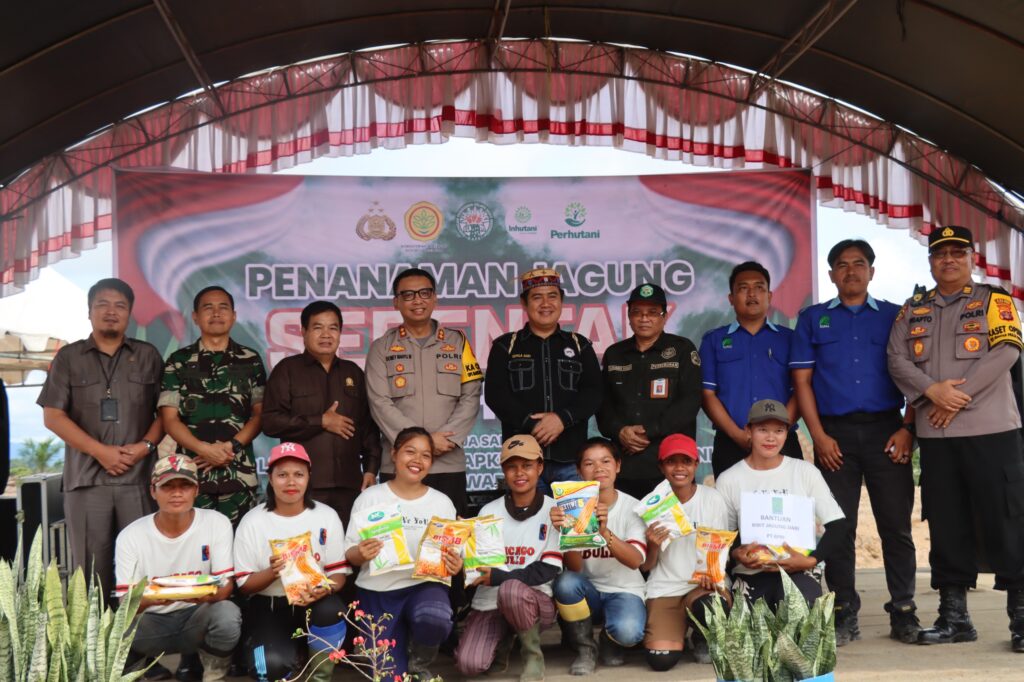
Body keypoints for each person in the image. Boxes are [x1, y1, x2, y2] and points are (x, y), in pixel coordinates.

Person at [887, 225, 1024, 651]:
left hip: (992, 430)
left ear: (971, 258)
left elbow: (1007, 351)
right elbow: (896, 358)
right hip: (937, 435)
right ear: (930, 261)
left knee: (1007, 521)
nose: (948, 259)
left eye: (957, 252)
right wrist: (933, 391)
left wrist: (955, 397)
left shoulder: (994, 300)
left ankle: (1021, 618)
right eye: (940, 253)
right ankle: (954, 618)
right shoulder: (913, 309)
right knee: (947, 522)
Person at [790, 239, 920, 646]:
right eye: (842, 265)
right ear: (831, 274)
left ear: (871, 271)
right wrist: (818, 436)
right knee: (838, 527)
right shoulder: (813, 319)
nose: (851, 271)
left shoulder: (895, 316)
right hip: (835, 436)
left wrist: (908, 428)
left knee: (895, 526)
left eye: (859, 264)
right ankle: (844, 610)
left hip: (888, 431)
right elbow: (802, 382)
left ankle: (904, 610)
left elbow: (915, 374)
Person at [37, 277, 164, 597]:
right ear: (89, 311)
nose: (111, 311)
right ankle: (96, 633)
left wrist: (145, 446)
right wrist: (100, 451)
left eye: (120, 306)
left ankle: (141, 633)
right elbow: (53, 416)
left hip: (138, 479)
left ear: (129, 313)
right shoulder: (69, 357)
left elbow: (166, 413)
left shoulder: (148, 356)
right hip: (86, 481)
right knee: (91, 576)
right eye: (102, 305)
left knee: (141, 573)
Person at [344, 426, 461, 679]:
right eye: (410, 451)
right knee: (388, 677)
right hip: (378, 594)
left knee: (435, 617)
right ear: (394, 454)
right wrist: (361, 553)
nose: (417, 460)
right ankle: (398, 649)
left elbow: (454, 556)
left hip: (424, 587)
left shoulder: (441, 503)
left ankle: (419, 663)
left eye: (426, 455)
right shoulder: (370, 499)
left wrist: (455, 564)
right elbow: (350, 554)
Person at [366, 267, 482, 516]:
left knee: (449, 534)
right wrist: (423, 444)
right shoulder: (381, 348)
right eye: (408, 295)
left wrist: (447, 440)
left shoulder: (458, 342)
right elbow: (379, 403)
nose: (417, 300)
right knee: (396, 536)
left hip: (448, 464)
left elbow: (471, 396)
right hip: (398, 466)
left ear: (435, 298)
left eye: (424, 293)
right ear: (396, 302)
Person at [115, 455, 240, 682]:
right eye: (167, 486)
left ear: (196, 490)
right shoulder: (130, 536)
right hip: (151, 623)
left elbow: (226, 587)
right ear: (153, 491)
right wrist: (155, 598)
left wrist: (200, 595)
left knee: (227, 614)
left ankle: (214, 675)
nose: (177, 493)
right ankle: (135, 671)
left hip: (196, 618)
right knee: (113, 629)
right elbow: (126, 602)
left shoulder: (216, 522)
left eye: (185, 485)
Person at [234, 442, 349, 682]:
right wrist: (273, 572)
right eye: (282, 475)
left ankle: (319, 675)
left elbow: (338, 574)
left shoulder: (326, 516)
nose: (291, 482)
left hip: (315, 602)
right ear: (270, 478)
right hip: (270, 605)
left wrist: (324, 589)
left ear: (309, 477)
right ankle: (291, 653)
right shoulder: (252, 521)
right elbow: (244, 585)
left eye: (298, 474)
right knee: (267, 670)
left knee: (330, 610)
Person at [716, 400, 848, 608]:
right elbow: (723, 537)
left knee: (798, 609)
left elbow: (838, 525)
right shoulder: (729, 479)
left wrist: (811, 560)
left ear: (787, 433)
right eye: (762, 430)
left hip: (799, 571)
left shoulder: (805, 472)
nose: (771, 438)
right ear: (748, 431)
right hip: (749, 574)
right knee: (747, 626)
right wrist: (736, 554)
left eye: (779, 430)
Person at [262, 300, 382, 526]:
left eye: (333, 328)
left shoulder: (353, 372)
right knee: (305, 544)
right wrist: (320, 421)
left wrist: (371, 469)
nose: (326, 334)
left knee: (347, 545)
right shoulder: (287, 370)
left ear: (340, 333)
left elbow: (368, 427)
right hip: (304, 487)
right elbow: (270, 422)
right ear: (303, 331)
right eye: (318, 327)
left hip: (349, 485)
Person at [455, 435, 562, 682]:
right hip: (490, 601)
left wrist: (500, 577)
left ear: (540, 468)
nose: (519, 473)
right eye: (512, 466)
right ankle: (504, 640)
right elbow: (478, 564)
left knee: (511, 589)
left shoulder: (555, 510)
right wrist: (462, 556)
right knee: (469, 665)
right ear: (503, 470)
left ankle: (532, 656)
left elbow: (547, 570)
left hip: (535, 601)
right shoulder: (489, 511)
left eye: (527, 465)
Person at [486, 268, 602, 492]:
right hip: (522, 461)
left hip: (571, 460)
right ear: (524, 302)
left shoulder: (580, 345)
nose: (546, 304)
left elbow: (594, 393)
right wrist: (532, 424)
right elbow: (496, 395)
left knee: (576, 517)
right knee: (527, 516)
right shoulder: (505, 346)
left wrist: (562, 419)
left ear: (561, 301)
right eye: (537, 297)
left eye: (552, 296)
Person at [159, 285, 266, 525]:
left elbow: (259, 415)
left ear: (234, 316)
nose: (216, 313)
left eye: (223, 307)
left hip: (239, 476)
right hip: (191, 478)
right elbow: (170, 419)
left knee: (239, 545)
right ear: (195, 317)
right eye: (208, 307)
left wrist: (230, 447)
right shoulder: (178, 361)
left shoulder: (251, 360)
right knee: (193, 544)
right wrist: (203, 449)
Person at [550, 437, 647, 674]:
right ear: (578, 471)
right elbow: (574, 569)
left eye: (605, 461)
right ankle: (585, 649)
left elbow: (635, 560)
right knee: (565, 583)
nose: (598, 469)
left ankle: (609, 639)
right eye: (589, 463)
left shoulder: (634, 508)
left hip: (625, 590)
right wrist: (567, 533)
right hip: (588, 591)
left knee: (629, 632)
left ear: (618, 465)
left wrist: (603, 532)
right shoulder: (569, 508)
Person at [597, 283, 702, 500]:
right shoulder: (615, 354)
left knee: (672, 522)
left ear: (665, 316)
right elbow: (603, 405)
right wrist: (620, 431)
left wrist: (649, 431)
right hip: (625, 465)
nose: (644, 318)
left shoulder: (682, 349)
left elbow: (690, 401)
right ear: (629, 316)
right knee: (625, 521)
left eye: (652, 312)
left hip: (670, 464)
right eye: (637, 312)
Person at [699, 262, 800, 478]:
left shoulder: (790, 339)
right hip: (731, 442)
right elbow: (707, 394)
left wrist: (777, 433)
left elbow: (801, 389)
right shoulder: (714, 341)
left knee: (786, 500)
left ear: (769, 296)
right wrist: (737, 435)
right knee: (731, 501)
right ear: (731, 298)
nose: (752, 294)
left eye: (759, 287)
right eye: (743, 288)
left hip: (783, 444)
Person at [641, 434, 732, 672]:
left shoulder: (712, 499)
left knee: (712, 606)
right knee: (661, 660)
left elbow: (720, 548)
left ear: (696, 465)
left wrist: (711, 574)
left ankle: (702, 636)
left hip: (704, 585)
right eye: (671, 462)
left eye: (686, 461)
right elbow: (646, 566)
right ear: (661, 466)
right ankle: (677, 629)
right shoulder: (651, 504)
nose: (679, 468)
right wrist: (653, 544)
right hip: (666, 587)